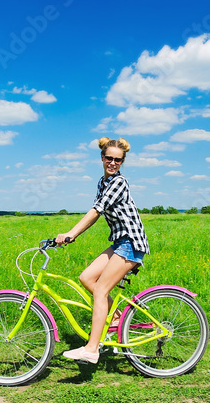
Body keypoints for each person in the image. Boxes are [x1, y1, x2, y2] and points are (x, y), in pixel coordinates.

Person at [55, 137, 149, 364]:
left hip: (131, 243)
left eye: (118, 160)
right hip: (119, 242)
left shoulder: (119, 182)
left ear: (122, 161)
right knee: (86, 277)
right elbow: (98, 209)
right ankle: (115, 323)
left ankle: (91, 349)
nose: (113, 163)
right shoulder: (103, 182)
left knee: (100, 291)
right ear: (102, 157)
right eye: (109, 158)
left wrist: (71, 233)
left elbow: (96, 211)